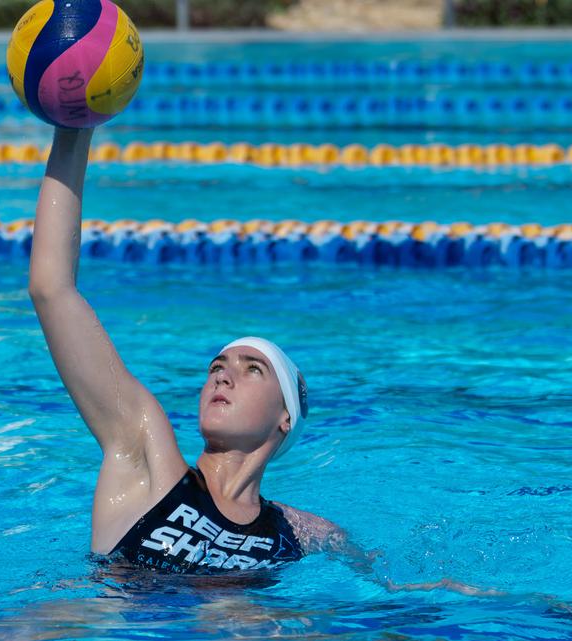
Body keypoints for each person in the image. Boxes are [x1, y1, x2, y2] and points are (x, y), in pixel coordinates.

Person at [28, 126, 349, 575]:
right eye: (217, 366)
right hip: (120, 634)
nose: (222, 375)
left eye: (253, 369)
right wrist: (74, 129)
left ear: (286, 418)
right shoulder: (146, 459)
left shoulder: (300, 533)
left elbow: (378, 594)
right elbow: (52, 290)